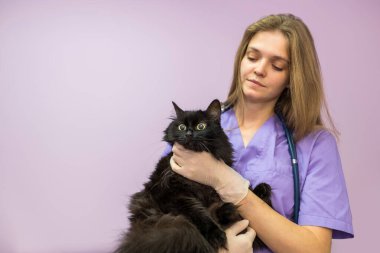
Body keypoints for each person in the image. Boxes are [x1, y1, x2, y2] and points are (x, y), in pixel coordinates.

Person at [169, 14, 354, 253]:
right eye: (252, 57)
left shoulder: (315, 143)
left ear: (292, 78)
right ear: (241, 60)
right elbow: (156, 214)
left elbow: (315, 249)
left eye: (277, 66)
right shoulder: (195, 130)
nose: (259, 69)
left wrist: (228, 183)